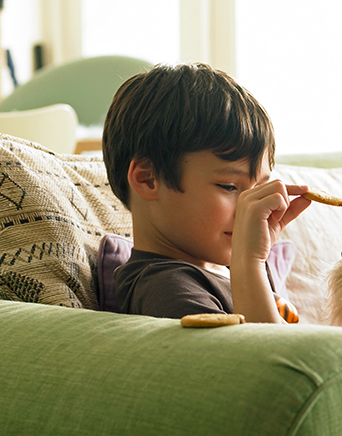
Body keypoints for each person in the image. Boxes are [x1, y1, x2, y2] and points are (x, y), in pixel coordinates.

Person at [103, 63, 314, 323]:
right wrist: (249, 263)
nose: (250, 206)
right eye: (229, 186)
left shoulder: (227, 266)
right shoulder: (166, 287)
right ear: (148, 179)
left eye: (258, 187)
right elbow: (261, 360)